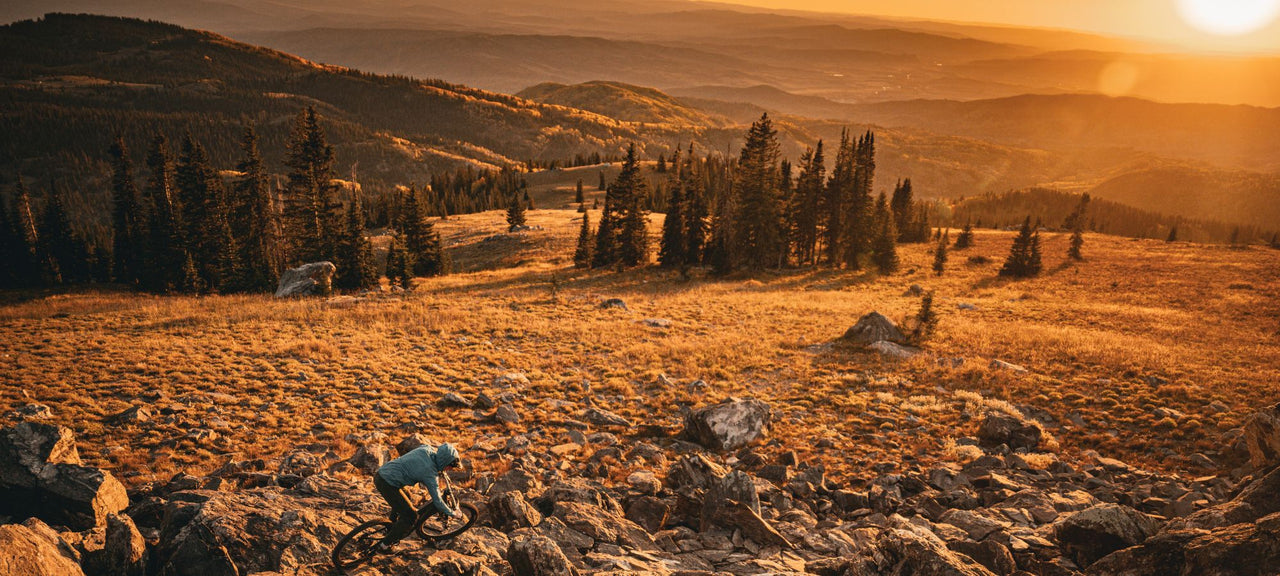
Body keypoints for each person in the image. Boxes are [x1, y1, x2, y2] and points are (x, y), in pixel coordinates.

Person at [373, 442, 461, 551]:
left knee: (407, 498)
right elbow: (437, 501)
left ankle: (390, 527)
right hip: (387, 483)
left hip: (383, 473)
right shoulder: (430, 474)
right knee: (411, 517)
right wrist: (452, 513)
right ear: (444, 462)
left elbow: (421, 452)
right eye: (449, 466)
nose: (450, 469)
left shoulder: (427, 449)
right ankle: (384, 545)